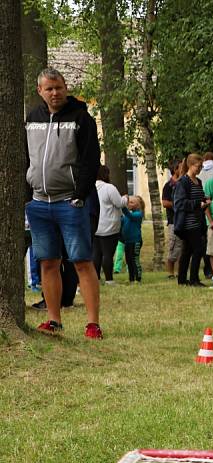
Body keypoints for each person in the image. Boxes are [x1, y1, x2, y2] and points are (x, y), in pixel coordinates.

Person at [24, 67, 103, 338]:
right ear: (40, 91)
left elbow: (91, 160)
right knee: (47, 262)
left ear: (65, 87)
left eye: (58, 87)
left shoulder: (81, 117)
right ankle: (53, 319)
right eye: (49, 88)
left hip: (70, 202)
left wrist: (79, 196)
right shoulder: (32, 118)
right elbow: (25, 157)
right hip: (38, 203)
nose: (55, 93)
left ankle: (93, 323)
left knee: (82, 261)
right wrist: (27, 195)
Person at [173, 153, 211, 286]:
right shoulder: (183, 182)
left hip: (197, 222)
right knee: (198, 249)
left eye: (201, 167)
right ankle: (194, 279)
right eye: (197, 166)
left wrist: (204, 201)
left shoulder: (198, 181)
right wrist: (197, 204)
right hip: (188, 223)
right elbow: (179, 203)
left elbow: (197, 198)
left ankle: (182, 279)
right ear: (190, 165)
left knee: (187, 251)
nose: (199, 169)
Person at [93, 165, 125, 284]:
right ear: (106, 175)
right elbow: (119, 203)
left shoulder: (91, 188)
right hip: (109, 227)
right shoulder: (109, 188)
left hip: (95, 226)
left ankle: (96, 278)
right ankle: (109, 279)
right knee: (107, 254)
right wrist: (126, 199)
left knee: (96, 254)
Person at [161, 159, 184, 279]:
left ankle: (181, 272)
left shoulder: (184, 184)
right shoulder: (168, 186)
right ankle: (170, 272)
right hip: (174, 221)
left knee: (182, 247)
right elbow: (165, 202)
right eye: (182, 168)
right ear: (175, 170)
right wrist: (178, 204)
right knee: (173, 246)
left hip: (184, 220)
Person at [120, 195, 144, 283]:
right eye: (128, 202)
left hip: (136, 241)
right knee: (128, 260)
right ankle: (131, 279)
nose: (129, 203)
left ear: (138, 205)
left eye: (131, 202)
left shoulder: (138, 214)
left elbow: (130, 215)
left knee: (134, 259)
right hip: (127, 241)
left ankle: (138, 278)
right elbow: (121, 221)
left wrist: (122, 206)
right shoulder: (126, 216)